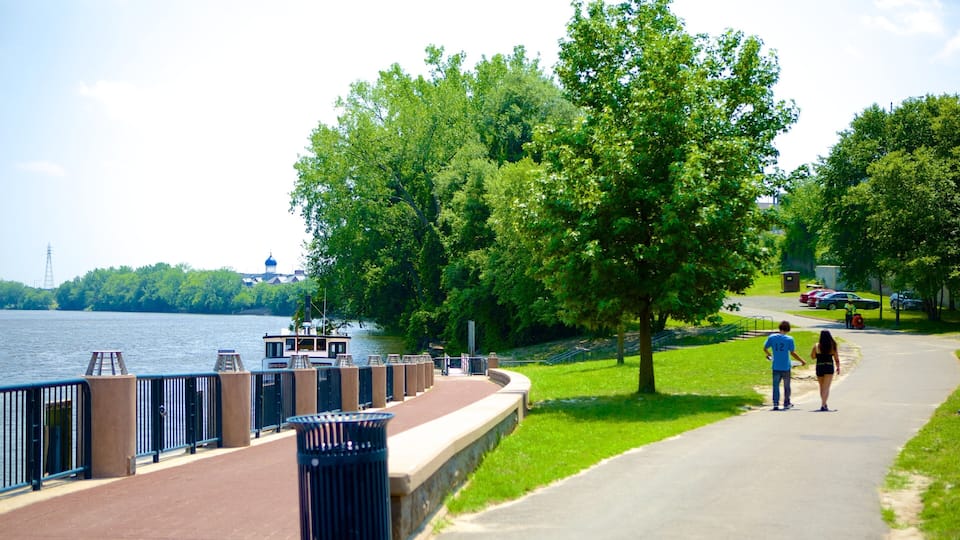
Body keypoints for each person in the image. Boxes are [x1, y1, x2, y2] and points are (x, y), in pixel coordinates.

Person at [763, 320, 806, 410]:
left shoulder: (772, 337)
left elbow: (765, 348)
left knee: (775, 385)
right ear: (788, 329)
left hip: (776, 365)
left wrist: (769, 354)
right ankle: (786, 402)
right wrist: (802, 360)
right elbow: (792, 353)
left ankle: (775, 403)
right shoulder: (789, 339)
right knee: (787, 385)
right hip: (785, 365)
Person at [810, 330, 841, 411]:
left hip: (819, 366)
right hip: (829, 366)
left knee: (821, 387)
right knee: (826, 387)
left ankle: (824, 403)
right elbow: (836, 359)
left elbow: (812, 357)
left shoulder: (817, 346)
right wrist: (838, 367)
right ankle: (823, 405)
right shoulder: (832, 345)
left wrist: (818, 354)